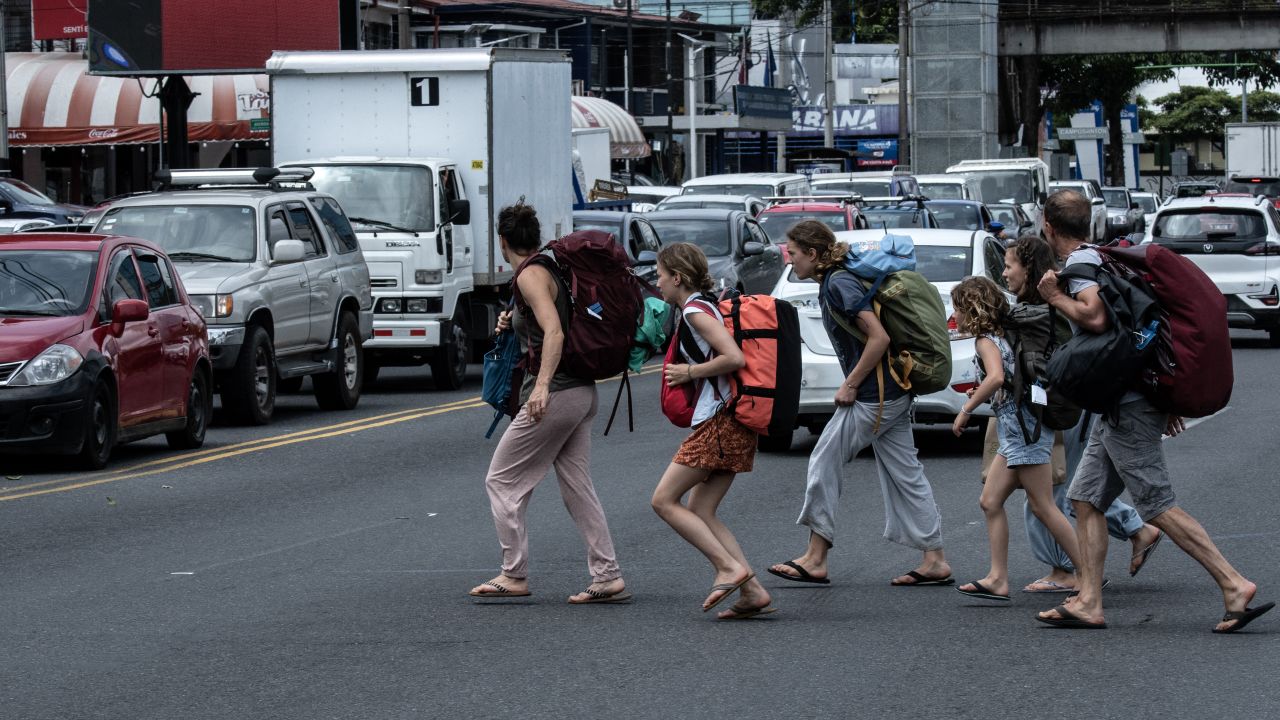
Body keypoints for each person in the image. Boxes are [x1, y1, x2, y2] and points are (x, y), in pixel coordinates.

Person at [1034, 190, 1273, 632]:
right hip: (1124, 402)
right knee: (1085, 498)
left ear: (1048, 225)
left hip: (1126, 406)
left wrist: (1054, 296)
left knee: (1156, 504)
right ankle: (1088, 600)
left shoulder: (1080, 266)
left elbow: (1097, 318)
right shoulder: (1104, 257)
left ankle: (1234, 583)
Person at [768, 220, 951, 588]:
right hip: (892, 392)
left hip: (874, 395)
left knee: (825, 459)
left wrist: (850, 385)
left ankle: (816, 558)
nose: (789, 260)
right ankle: (934, 559)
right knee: (905, 472)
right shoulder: (836, 280)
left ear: (813, 254)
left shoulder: (839, 284)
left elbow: (878, 337)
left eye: (794, 253)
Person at [469, 203, 630, 605]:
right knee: (577, 486)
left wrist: (540, 388)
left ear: (502, 241)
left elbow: (555, 332)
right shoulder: (548, 267)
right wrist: (512, 320)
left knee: (501, 480)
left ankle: (513, 573)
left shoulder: (531, 276)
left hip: (557, 393)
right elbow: (548, 321)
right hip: (580, 393)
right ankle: (607, 574)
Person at [995, 235, 1163, 595]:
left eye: (1009, 265)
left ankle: (1069, 570)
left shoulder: (1048, 303)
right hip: (1067, 404)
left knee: (1052, 489)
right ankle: (1135, 529)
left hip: (1061, 405)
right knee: (1072, 484)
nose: (1004, 272)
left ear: (1027, 266)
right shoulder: (1050, 298)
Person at [649, 243, 775, 619]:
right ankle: (751, 591)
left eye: (660, 275)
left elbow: (733, 357)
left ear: (677, 277)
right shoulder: (704, 303)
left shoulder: (693, 311)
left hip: (720, 421)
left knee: (663, 500)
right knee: (701, 507)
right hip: (730, 420)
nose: (657, 282)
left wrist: (689, 372)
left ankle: (728, 568)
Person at [949, 276, 1083, 603]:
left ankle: (1087, 575)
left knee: (1044, 506)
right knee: (990, 501)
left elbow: (995, 378)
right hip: (1016, 431)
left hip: (1023, 430)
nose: (956, 317)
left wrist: (966, 409)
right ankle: (997, 578)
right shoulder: (1001, 333)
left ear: (971, 309)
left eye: (957, 309)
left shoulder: (985, 340)